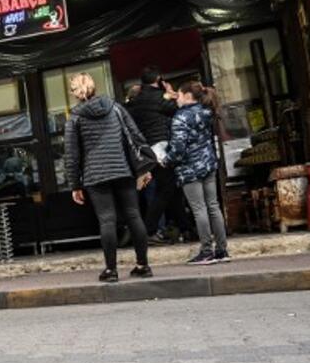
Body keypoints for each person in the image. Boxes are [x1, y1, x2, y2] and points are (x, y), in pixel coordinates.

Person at [64, 73, 153, 283]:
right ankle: (143, 265)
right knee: (133, 215)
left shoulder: (75, 117)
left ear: (75, 93)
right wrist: (143, 168)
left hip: (95, 175)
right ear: (94, 87)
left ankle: (111, 271)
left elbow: (72, 153)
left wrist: (74, 184)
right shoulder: (115, 108)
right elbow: (134, 135)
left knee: (107, 220)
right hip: (123, 169)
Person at [165, 82, 230, 265]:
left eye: (179, 95)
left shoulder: (180, 118)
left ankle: (207, 251)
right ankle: (222, 250)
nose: (177, 99)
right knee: (213, 205)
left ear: (187, 96)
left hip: (189, 169)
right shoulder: (207, 111)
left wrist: (166, 159)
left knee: (199, 208)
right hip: (208, 165)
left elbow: (178, 148)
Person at [125, 66, 186, 244]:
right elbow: (176, 109)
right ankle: (150, 229)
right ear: (158, 80)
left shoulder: (136, 101)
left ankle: (184, 226)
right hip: (161, 147)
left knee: (169, 189)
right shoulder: (158, 97)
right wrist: (171, 93)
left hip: (146, 151)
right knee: (166, 190)